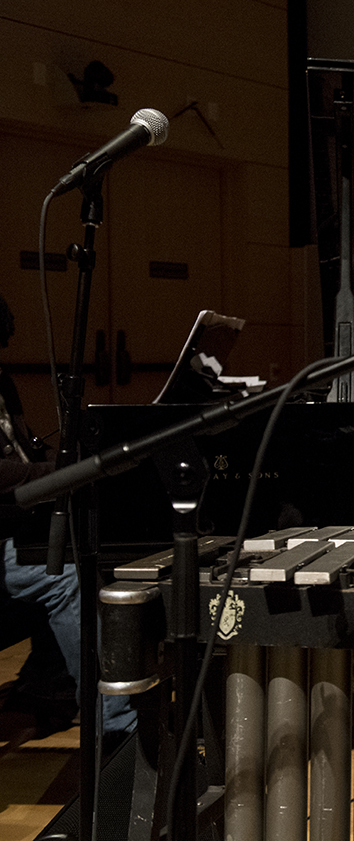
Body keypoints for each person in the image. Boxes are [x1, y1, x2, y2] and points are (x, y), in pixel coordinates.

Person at [0, 292, 135, 739]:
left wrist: (70, 459)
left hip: (14, 521)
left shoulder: (2, 380)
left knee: (94, 540)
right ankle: (114, 725)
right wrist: (53, 473)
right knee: (65, 574)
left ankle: (47, 679)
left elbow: (21, 445)